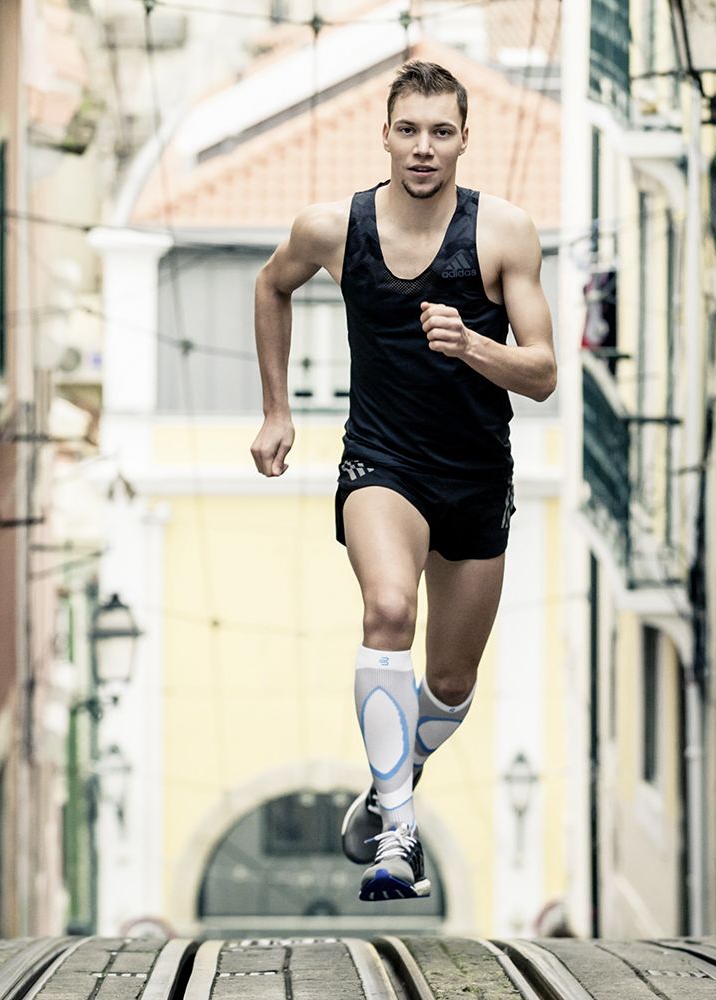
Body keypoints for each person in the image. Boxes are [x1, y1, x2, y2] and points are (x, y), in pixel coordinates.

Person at [250, 60, 555, 902]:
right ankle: (398, 833)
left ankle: (396, 773)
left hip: (476, 475)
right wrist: (277, 412)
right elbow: (269, 286)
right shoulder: (331, 229)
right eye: (409, 130)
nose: (424, 148)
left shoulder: (503, 234)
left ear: (464, 139)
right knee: (388, 610)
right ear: (384, 135)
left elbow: (542, 373)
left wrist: (473, 347)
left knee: (451, 684)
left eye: (442, 132)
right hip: (381, 462)